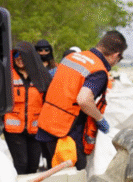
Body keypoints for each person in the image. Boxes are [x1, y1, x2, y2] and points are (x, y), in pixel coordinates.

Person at [36, 31, 127, 170]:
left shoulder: (72, 57)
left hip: (46, 125)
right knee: (72, 180)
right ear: (116, 55)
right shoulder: (98, 71)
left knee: (52, 178)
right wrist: (99, 119)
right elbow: (84, 99)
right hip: (66, 134)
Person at [3, 41, 52, 174]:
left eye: (23, 56)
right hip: (14, 130)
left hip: (36, 130)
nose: (19, 59)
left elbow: (50, 102)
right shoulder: (7, 76)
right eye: (16, 55)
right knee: (21, 163)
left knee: (33, 166)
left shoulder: (42, 77)